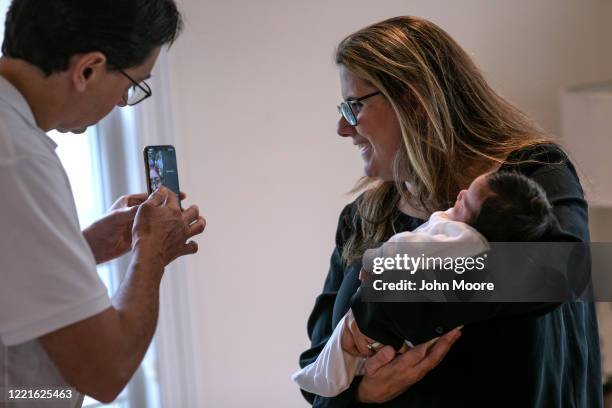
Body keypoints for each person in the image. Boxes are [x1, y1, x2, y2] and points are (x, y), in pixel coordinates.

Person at [299, 16, 602, 407]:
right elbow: (315, 372)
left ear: (413, 100)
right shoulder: (361, 219)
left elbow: (561, 271)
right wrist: (366, 394)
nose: (343, 127)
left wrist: (387, 300)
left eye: (354, 106)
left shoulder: (532, 174)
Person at [0, 1, 205, 407]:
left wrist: (82, 248)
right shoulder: (18, 159)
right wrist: (152, 250)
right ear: (88, 69)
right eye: (132, 84)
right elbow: (107, 371)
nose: (121, 104)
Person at [293, 171, 558, 397]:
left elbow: (406, 248)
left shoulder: (463, 237)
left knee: (339, 351)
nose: (461, 193)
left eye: (357, 107)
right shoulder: (359, 215)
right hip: (389, 349)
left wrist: (375, 261)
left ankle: (324, 378)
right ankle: (325, 379)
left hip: (392, 347)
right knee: (337, 351)